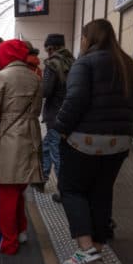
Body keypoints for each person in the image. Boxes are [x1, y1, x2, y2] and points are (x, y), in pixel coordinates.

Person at [55, 19, 133, 264]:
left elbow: (75, 100)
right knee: (101, 192)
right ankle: (96, 249)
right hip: (119, 143)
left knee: (71, 190)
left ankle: (85, 247)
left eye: (83, 37)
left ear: (88, 39)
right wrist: (122, 121)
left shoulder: (84, 63)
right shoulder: (128, 64)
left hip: (84, 140)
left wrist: (61, 129)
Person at [0, 39, 43, 255]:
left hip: (10, 138)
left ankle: (7, 242)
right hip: (31, 135)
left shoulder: (1, 76)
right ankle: (21, 230)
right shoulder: (35, 76)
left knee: (4, 193)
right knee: (19, 190)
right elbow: (37, 110)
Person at [40, 34, 75, 202]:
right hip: (70, 114)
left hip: (55, 115)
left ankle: (65, 192)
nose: (47, 53)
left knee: (57, 152)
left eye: (47, 50)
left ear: (51, 48)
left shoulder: (53, 64)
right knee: (47, 146)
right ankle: (41, 178)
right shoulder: (74, 62)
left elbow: (45, 90)